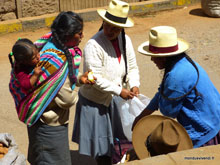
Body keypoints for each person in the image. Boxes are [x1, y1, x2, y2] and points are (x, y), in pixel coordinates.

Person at [9, 11, 94, 165]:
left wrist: (79, 79)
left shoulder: (49, 43)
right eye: (79, 33)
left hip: (41, 124)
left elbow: (63, 80)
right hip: (48, 128)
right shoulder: (54, 62)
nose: (82, 36)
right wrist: (75, 90)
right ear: (68, 35)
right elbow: (66, 99)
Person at [72, 0, 140, 164]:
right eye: (108, 26)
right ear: (103, 22)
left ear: (122, 28)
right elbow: (94, 78)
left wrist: (134, 84)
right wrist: (120, 91)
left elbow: (132, 66)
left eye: (115, 28)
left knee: (116, 143)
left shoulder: (126, 40)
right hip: (95, 102)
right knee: (102, 148)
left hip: (113, 100)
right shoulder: (93, 45)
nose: (110, 31)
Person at [133, 25, 220, 148]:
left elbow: (169, 112)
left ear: (164, 58)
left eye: (154, 56)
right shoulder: (182, 62)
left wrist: (145, 118)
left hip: (204, 130)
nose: (152, 59)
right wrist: (143, 115)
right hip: (214, 118)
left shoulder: (175, 77)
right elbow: (163, 93)